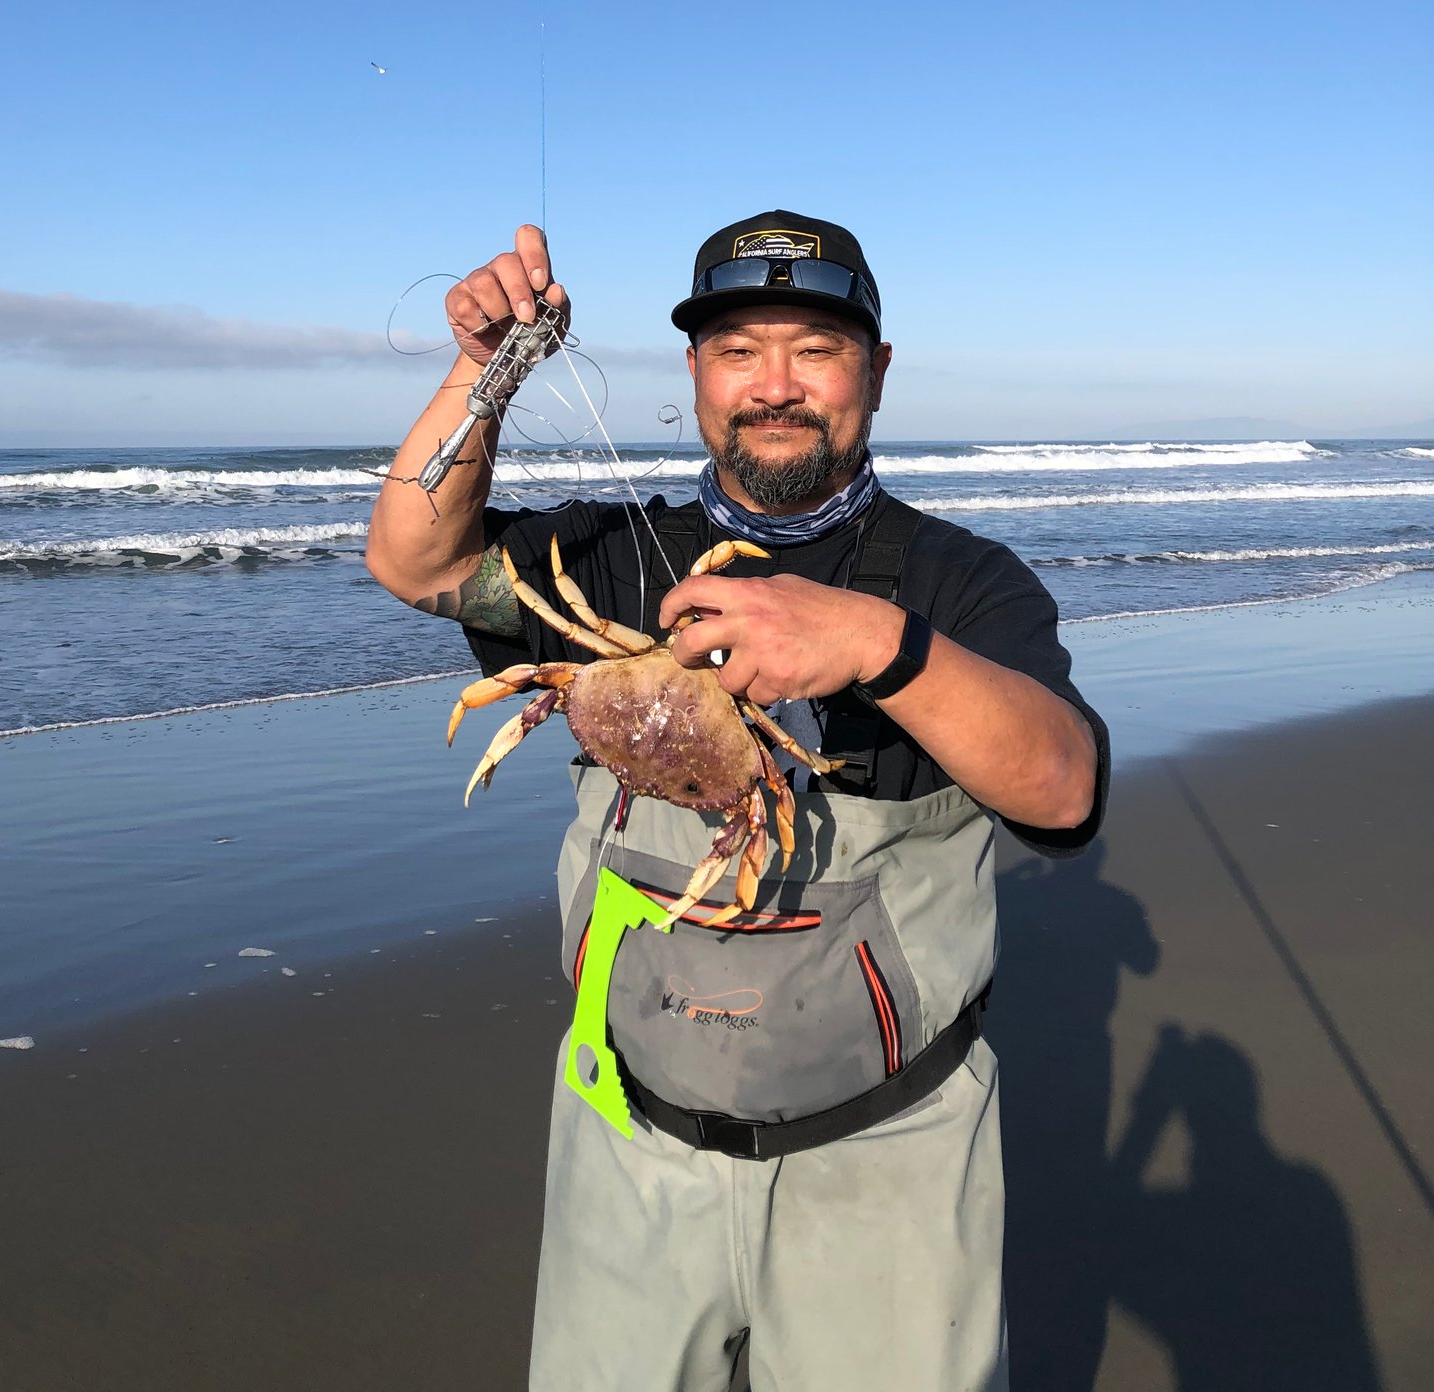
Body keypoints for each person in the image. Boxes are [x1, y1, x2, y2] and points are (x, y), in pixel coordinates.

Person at [367, 211, 1108, 1392]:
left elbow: (1064, 792)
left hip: (887, 1154)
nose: (775, 385)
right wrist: (490, 368)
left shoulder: (959, 584)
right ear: (696, 376)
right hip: (629, 1139)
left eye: (815, 348)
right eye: (736, 350)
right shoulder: (610, 556)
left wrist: (879, 643)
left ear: (875, 371)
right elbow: (416, 562)